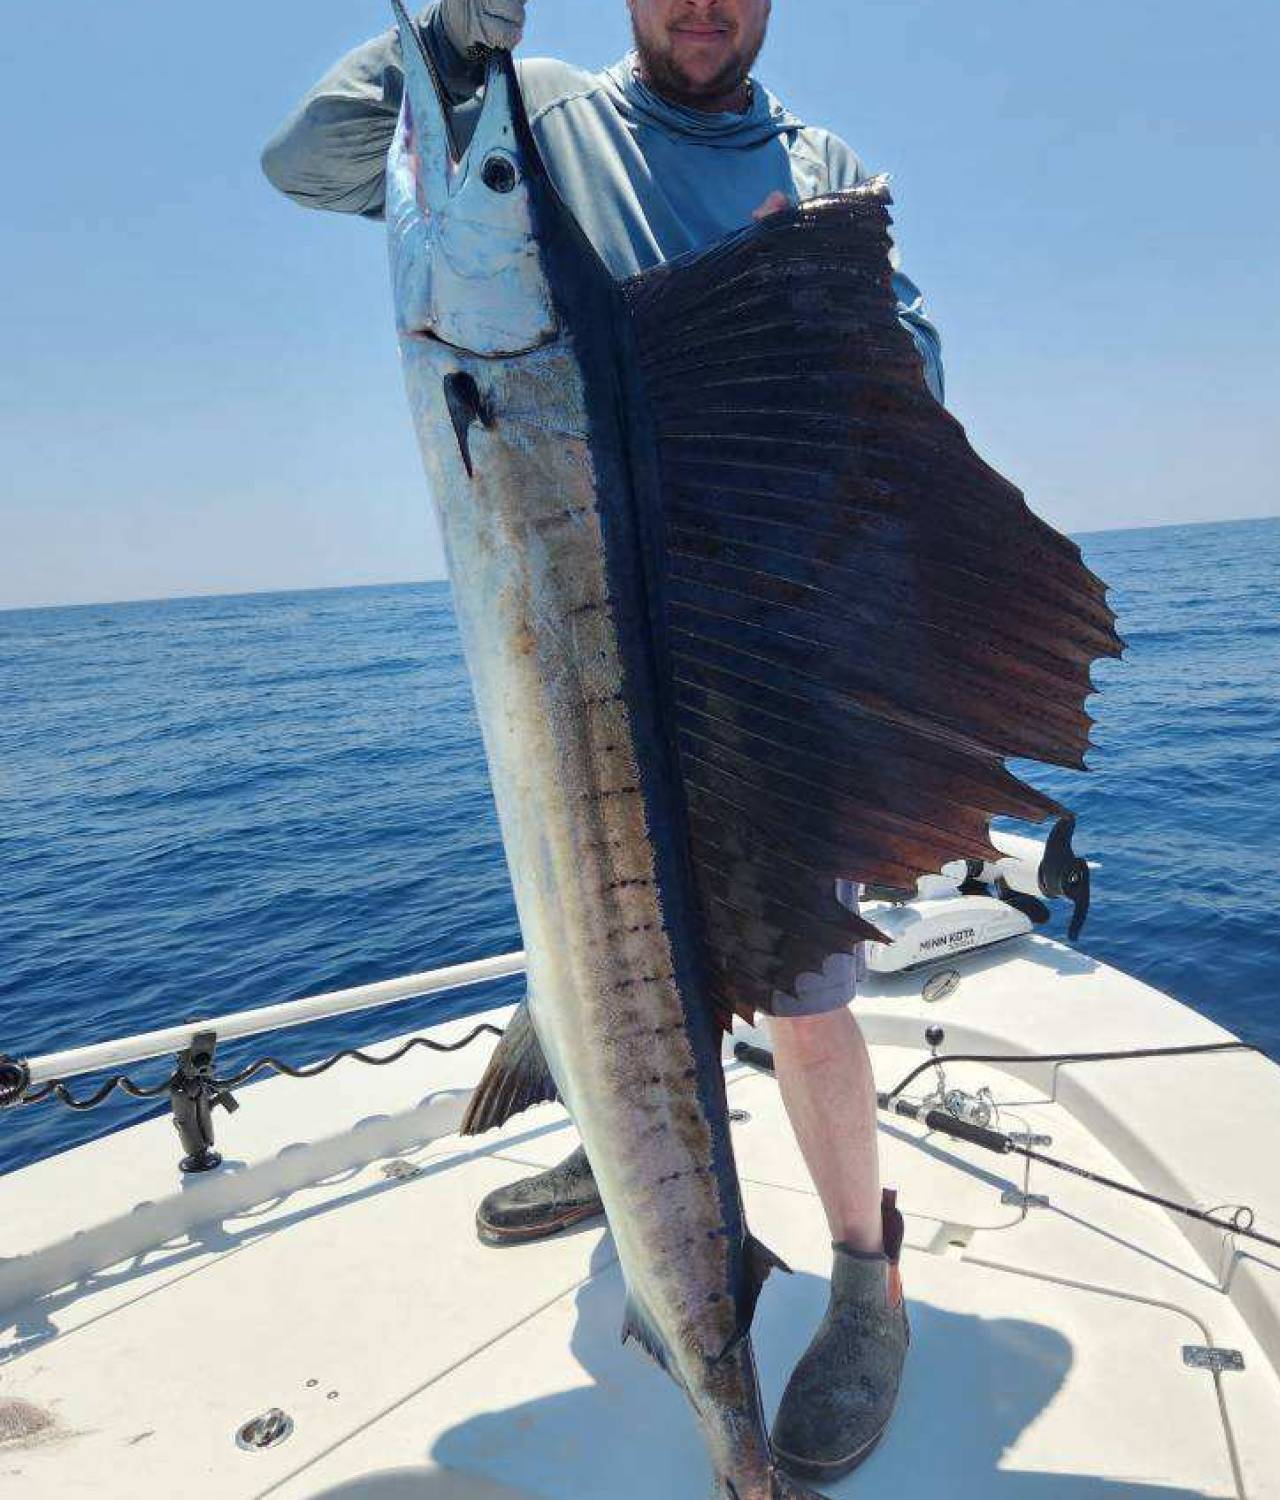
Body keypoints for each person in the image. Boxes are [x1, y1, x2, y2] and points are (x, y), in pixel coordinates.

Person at [263, 0, 943, 1481]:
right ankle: (634, 1152)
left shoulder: (818, 160)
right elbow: (315, 167)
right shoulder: (543, 112)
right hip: (577, 609)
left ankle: (864, 1276)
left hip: (753, 660)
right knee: (595, 934)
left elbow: (917, 388)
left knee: (809, 994)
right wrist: (435, 52)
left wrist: (827, 317)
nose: (704, 8)